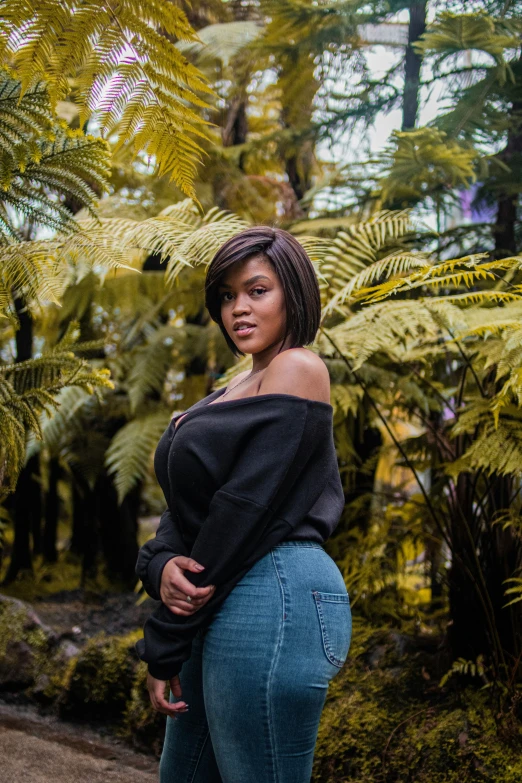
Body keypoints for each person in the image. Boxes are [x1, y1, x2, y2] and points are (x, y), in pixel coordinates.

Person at [135, 226, 351, 783]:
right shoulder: (231, 388)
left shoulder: (298, 367)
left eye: (258, 290)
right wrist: (158, 567)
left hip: (275, 592)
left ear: (294, 294)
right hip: (226, 590)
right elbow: (186, 509)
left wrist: (166, 636)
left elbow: (243, 507)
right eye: (227, 295)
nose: (239, 308)